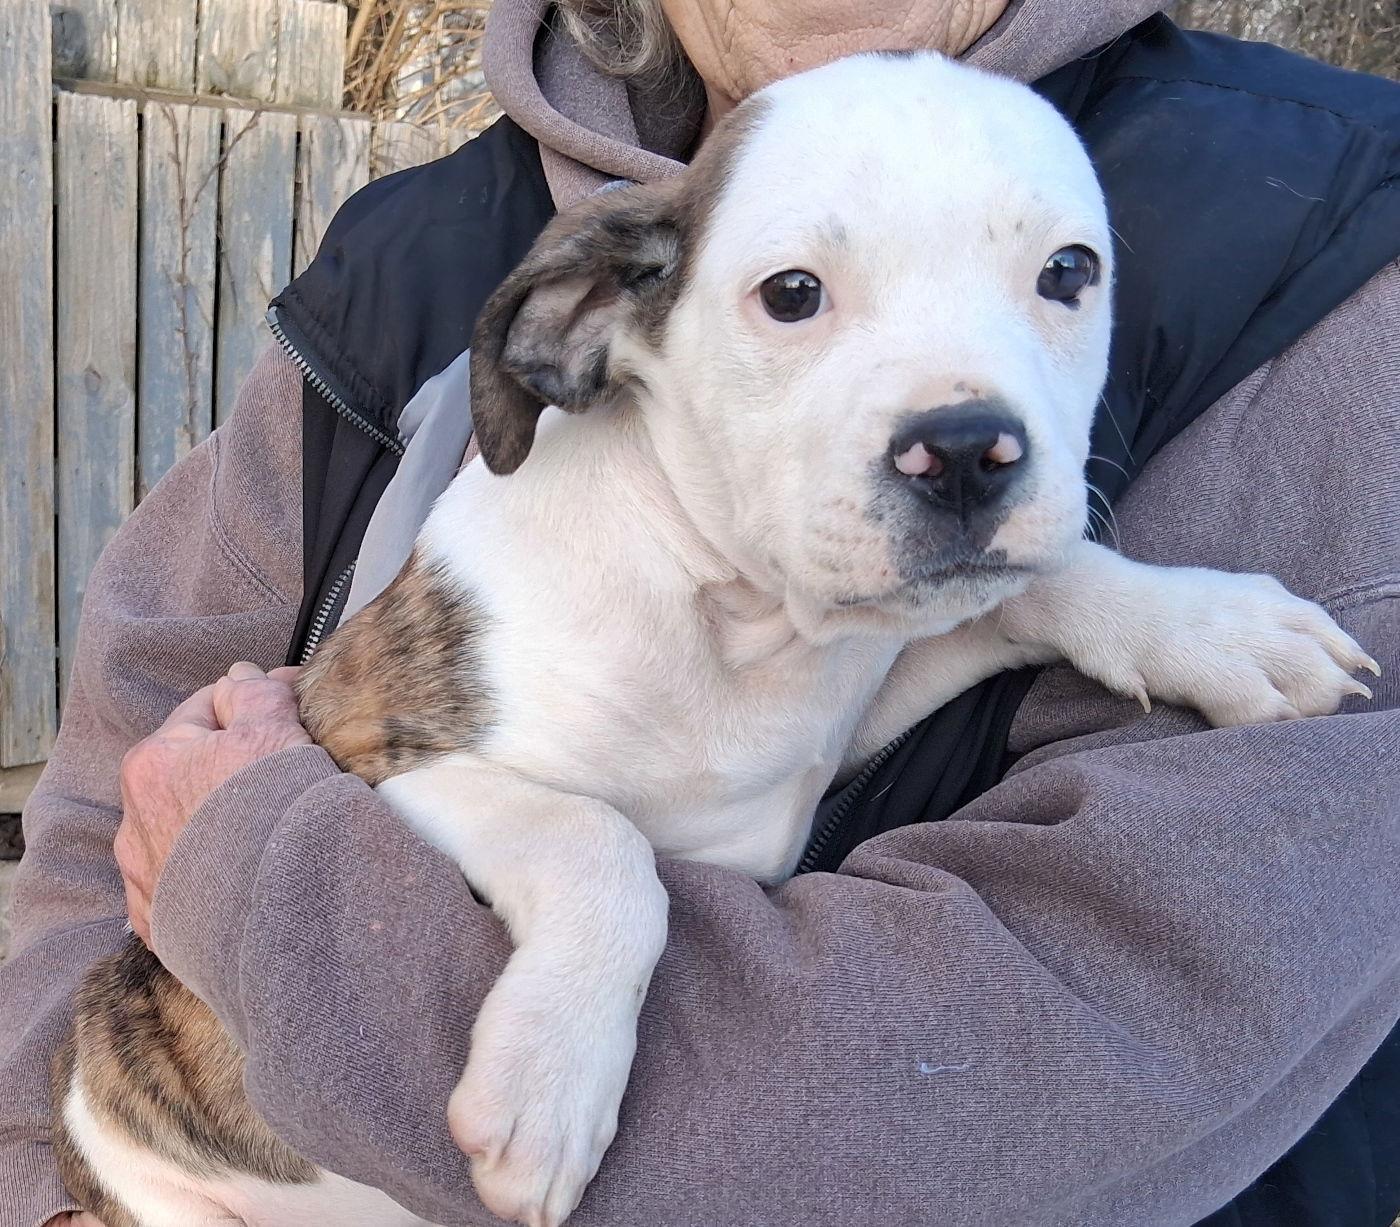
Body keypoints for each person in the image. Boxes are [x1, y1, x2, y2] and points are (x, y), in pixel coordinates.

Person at [6, 1, 1398, 1224]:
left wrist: (1103, 601)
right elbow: (190, 759)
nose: (973, 429)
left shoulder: (1330, 234)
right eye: (797, 297)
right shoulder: (441, 333)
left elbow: (1046, 1072)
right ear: (602, 334)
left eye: (1059, 279)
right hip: (182, 1179)